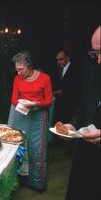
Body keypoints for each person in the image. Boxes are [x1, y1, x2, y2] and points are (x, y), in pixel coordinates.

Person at [63, 26, 101, 200]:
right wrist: (72, 125)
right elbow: (82, 107)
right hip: (85, 158)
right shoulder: (93, 73)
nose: (99, 60)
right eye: (95, 54)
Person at [9, 51, 53, 192]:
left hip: (38, 118)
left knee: (37, 149)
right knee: (21, 147)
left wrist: (36, 104)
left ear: (29, 66)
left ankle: (37, 182)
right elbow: (14, 99)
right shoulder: (17, 79)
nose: (18, 72)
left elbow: (48, 101)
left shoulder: (45, 78)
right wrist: (24, 103)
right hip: (22, 115)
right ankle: (20, 179)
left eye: (21, 69)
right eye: (17, 69)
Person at [53, 50, 82, 123]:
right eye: (57, 60)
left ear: (68, 58)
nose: (59, 62)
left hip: (71, 105)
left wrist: (53, 92)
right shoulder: (58, 69)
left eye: (61, 59)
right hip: (59, 105)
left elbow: (74, 88)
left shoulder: (76, 70)